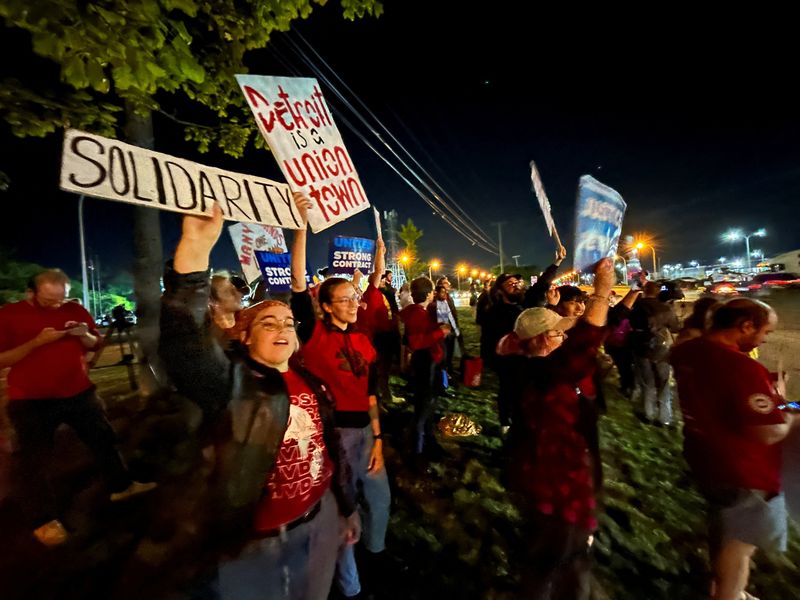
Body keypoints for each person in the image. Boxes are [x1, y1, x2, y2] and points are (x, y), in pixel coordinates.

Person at [159, 199, 359, 600]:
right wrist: (195, 253)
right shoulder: (231, 382)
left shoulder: (310, 382)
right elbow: (185, 347)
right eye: (268, 323)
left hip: (319, 519)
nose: (283, 327)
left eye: (288, 323)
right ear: (245, 337)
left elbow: (330, 450)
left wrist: (345, 507)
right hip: (253, 542)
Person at [0, 269, 155, 546]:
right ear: (30, 293)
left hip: (79, 393)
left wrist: (84, 335)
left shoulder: (75, 309)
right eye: (49, 301)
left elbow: (95, 343)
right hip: (31, 401)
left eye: (62, 299)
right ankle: (43, 520)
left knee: (104, 440)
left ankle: (121, 486)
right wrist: (37, 342)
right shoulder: (9, 315)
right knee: (35, 462)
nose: (58, 305)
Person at [288, 198, 391, 599]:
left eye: (356, 297)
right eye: (346, 298)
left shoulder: (363, 340)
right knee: (342, 510)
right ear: (326, 306)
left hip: (366, 435)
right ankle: (351, 585)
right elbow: (298, 282)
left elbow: (368, 394)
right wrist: (301, 225)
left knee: (380, 502)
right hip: (333, 440)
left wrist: (379, 440)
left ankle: (377, 556)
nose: (356, 303)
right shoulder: (314, 336)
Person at [498, 258, 615, 599]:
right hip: (558, 488)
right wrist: (603, 287)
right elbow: (588, 340)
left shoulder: (528, 364)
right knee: (554, 562)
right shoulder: (550, 376)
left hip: (548, 482)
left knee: (554, 557)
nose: (565, 335)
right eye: (559, 332)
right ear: (545, 339)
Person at [671, 298, 798, 600]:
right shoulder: (742, 367)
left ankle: (721, 585)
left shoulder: (686, 351)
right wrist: (788, 410)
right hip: (745, 470)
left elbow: (720, 394)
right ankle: (729, 593)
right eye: (765, 332)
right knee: (741, 544)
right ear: (745, 326)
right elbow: (767, 432)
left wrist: (767, 391)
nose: (765, 339)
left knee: (725, 527)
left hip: (705, 458)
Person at [400, 277, 450, 456]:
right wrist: (440, 332)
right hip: (425, 365)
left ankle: (429, 442)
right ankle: (417, 451)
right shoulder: (417, 313)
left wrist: (437, 327)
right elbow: (416, 341)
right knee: (423, 410)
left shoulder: (419, 311)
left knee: (428, 407)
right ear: (429, 293)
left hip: (428, 364)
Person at [629, 281, 680, 425]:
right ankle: (665, 418)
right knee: (663, 383)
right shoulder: (665, 308)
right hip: (661, 348)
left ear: (644, 290)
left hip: (640, 347)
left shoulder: (636, 306)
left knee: (647, 382)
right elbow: (675, 327)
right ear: (657, 292)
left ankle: (648, 413)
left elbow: (628, 322)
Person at [481, 273, 525, 433]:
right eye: (510, 283)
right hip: (506, 360)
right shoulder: (493, 312)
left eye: (517, 282)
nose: (515, 285)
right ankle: (505, 420)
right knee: (507, 389)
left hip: (524, 358)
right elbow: (486, 339)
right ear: (500, 290)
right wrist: (490, 361)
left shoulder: (524, 308)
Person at [428, 284, 461, 383]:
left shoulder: (445, 303)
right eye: (442, 292)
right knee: (442, 356)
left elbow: (450, 316)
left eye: (445, 292)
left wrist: (455, 329)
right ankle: (443, 378)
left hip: (447, 333)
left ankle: (448, 371)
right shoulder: (433, 305)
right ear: (436, 293)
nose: (444, 294)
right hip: (439, 335)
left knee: (449, 354)